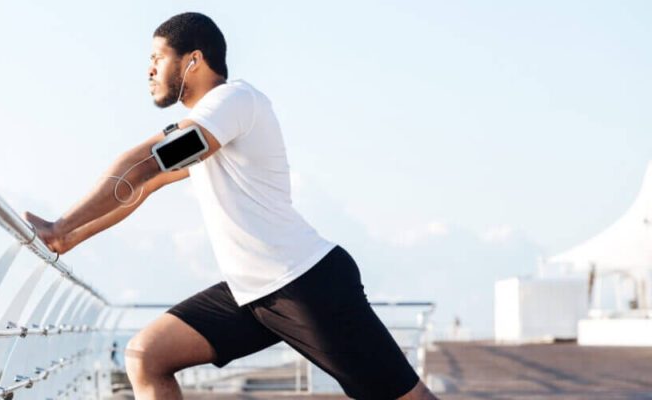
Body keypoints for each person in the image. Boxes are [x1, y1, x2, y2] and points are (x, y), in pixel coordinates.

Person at [24, 12, 438, 400]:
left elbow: (150, 161)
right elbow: (143, 185)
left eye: (158, 58)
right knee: (147, 356)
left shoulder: (234, 103)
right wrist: (71, 238)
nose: (149, 70)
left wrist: (60, 225)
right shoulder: (208, 129)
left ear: (193, 61)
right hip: (249, 294)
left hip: (305, 285)